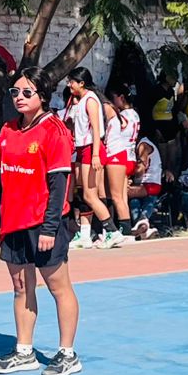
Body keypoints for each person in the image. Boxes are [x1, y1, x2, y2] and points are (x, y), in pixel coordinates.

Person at [0, 66, 83, 375]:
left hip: (43, 224)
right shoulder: (7, 130)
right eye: (15, 92)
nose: (20, 97)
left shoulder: (55, 131)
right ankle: (24, 351)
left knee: (58, 287)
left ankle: (67, 354)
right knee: (20, 287)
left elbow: (59, 186)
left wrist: (50, 228)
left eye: (27, 92)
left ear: (43, 96)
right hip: (13, 223)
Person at [64, 68, 120, 248]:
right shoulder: (80, 101)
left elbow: (96, 129)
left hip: (91, 149)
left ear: (81, 83)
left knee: (90, 195)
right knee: (84, 193)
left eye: (72, 81)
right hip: (82, 149)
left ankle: (112, 231)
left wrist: (95, 154)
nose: (69, 85)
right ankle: (85, 235)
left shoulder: (90, 100)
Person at [101, 84, 139, 243]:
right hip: (130, 156)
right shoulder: (135, 114)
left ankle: (124, 229)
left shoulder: (121, 116)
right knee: (122, 197)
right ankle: (126, 228)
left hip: (118, 155)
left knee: (116, 197)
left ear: (121, 98)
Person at [128, 133, 165, 237]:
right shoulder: (147, 143)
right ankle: (144, 229)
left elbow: (141, 168)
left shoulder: (143, 145)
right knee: (134, 201)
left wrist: (130, 177)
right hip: (153, 183)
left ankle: (134, 224)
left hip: (149, 183)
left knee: (121, 194)